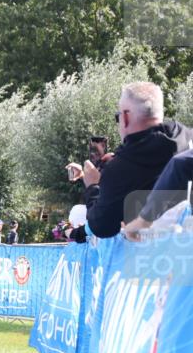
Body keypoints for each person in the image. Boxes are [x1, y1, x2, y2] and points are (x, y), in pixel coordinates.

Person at [79, 82, 193, 237]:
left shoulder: (119, 171)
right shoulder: (187, 139)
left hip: (153, 255)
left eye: (117, 116)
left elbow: (102, 227)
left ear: (125, 117)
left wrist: (92, 186)